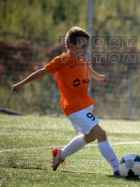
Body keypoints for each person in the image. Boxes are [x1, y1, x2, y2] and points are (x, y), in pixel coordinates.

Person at [12, 26, 121, 176]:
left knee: (90, 136)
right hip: (75, 108)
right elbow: (42, 72)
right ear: (71, 47)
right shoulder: (62, 60)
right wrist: (21, 84)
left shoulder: (81, 58)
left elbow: (86, 68)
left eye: (86, 46)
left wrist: (98, 77)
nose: (85, 50)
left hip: (84, 105)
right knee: (101, 133)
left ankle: (60, 155)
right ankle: (118, 168)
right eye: (82, 47)